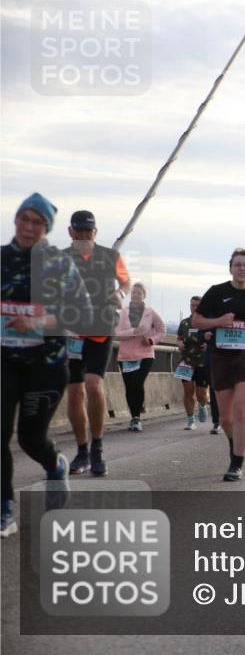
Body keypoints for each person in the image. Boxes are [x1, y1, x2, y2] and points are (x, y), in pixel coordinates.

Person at [2, 193, 92, 537]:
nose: (28, 227)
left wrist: (39, 323)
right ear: (15, 220)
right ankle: (4, 508)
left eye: (36, 222)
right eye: (23, 219)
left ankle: (55, 466)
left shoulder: (59, 265)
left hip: (46, 364)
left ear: (47, 228)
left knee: (30, 438)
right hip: (4, 362)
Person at [193, 248, 245, 482]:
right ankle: (234, 442)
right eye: (238, 264)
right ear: (230, 268)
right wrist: (219, 321)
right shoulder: (216, 292)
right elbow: (197, 321)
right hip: (221, 357)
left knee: (241, 409)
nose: (242, 268)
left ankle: (237, 462)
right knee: (226, 419)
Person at [63, 209, 130, 476]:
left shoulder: (110, 256)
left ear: (95, 233)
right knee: (75, 392)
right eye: (78, 231)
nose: (83, 236)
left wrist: (118, 293)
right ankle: (81, 450)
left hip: (100, 329)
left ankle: (98, 447)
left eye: (88, 231)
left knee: (93, 385)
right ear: (70, 232)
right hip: (70, 332)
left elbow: (126, 282)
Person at [114, 282, 165, 432]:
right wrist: (133, 331)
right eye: (134, 293)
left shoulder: (150, 312)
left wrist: (151, 340)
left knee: (137, 383)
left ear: (144, 296)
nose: (136, 295)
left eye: (139, 293)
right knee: (130, 387)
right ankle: (134, 416)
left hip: (145, 354)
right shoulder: (123, 312)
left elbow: (162, 330)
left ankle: (137, 418)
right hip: (126, 355)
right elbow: (116, 334)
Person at [176, 296, 210, 430]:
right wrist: (179, 344)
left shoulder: (208, 322)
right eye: (192, 305)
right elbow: (178, 338)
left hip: (203, 362)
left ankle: (202, 405)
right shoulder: (185, 323)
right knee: (188, 392)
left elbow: (214, 338)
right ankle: (190, 420)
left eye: (196, 305)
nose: (194, 307)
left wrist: (209, 345)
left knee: (201, 394)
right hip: (186, 361)